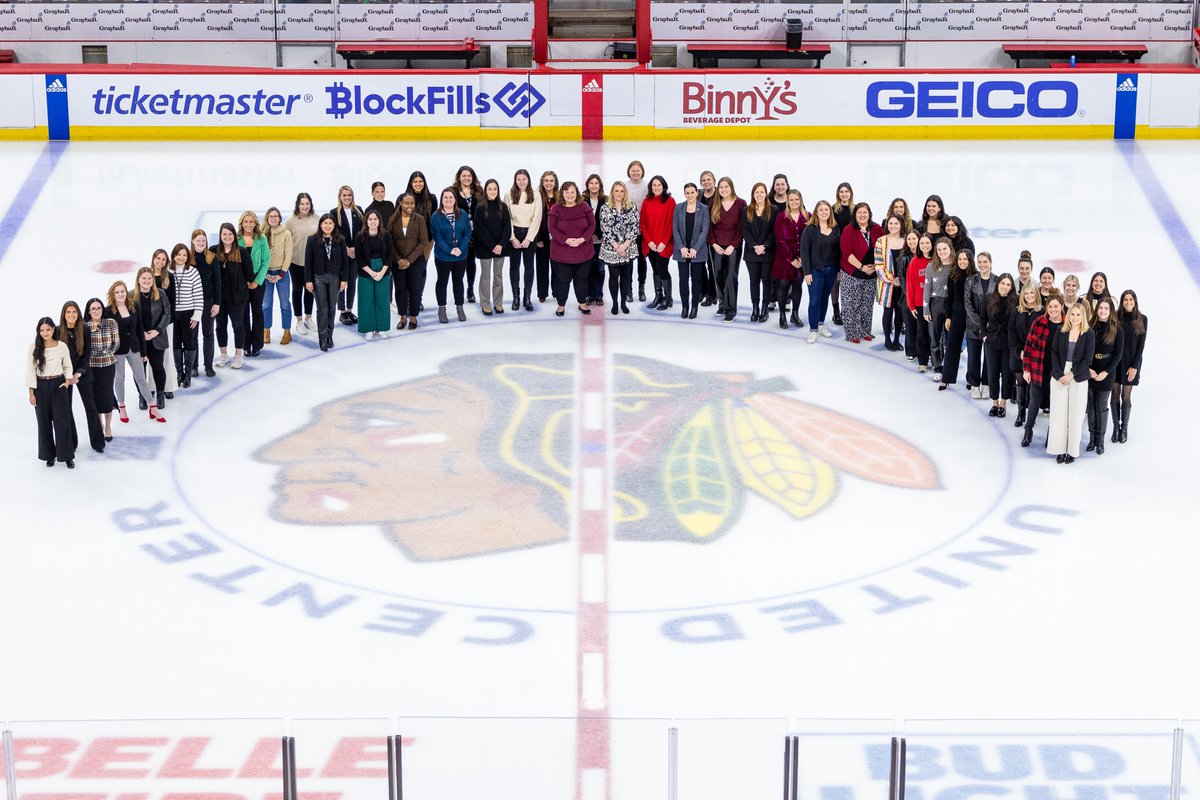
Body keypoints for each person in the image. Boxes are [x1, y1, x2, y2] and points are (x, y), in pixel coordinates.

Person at [1047, 302, 1095, 464]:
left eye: (1078, 315)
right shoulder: (1060, 330)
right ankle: (1059, 449)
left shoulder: (1089, 333)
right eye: (1072, 314)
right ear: (1068, 315)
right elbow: (1054, 353)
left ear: (1083, 316)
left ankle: (1072, 451)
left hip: (1078, 376)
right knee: (1058, 415)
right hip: (1059, 374)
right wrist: (1060, 374)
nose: (1075, 317)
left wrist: (1072, 374)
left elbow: (1087, 360)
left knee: (1075, 415)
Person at [27, 317, 75, 468]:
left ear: (54, 329)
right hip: (40, 387)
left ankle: (67, 456)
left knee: (62, 422)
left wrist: (67, 381)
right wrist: (31, 393)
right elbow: (30, 371)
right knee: (44, 423)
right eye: (42, 330)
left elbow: (67, 365)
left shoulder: (61, 346)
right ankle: (49, 455)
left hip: (58, 385)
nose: (45, 333)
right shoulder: (34, 347)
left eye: (48, 329)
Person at [59, 300, 103, 453]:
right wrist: (68, 375)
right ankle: (71, 443)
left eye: (74, 312)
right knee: (66, 408)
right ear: (64, 314)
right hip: (64, 375)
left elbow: (87, 353)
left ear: (78, 314)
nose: (71, 315)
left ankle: (98, 442)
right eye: (68, 312)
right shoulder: (57, 331)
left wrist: (78, 373)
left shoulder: (84, 329)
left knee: (91, 407)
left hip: (82, 373)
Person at [1020, 294, 1064, 448]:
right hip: (1038, 370)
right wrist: (1026, 369)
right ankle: (1028, 431)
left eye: (1056, 306)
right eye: (1050, 306)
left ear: (1061, 306)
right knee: (1034, 403)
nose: (1053, 309)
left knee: (1055, 406)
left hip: (1057, 373)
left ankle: (1051, 435)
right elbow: (1028, 347)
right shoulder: (1038, 322)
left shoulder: (1067, 325)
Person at [548, 181, 596, 318]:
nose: (570, 195)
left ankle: (582, 304)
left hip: (583, 251)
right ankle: (561, 306)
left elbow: (592, 225)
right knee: (562, 281)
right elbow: (552, 228)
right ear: (562, 193)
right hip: (561, 253)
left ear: (577, 193)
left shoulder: (584, 206)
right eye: (567, 192)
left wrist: (583, 239)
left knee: (582, 279)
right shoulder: (556, 208)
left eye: (572, 192)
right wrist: (566, 240)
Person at [106, 281, 152, 423]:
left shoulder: (134, 306)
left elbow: (140, 329)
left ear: (126, 292)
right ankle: (122, 407)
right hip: (118, 350)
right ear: (113, 294)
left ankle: (152, 405)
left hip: (134, 348)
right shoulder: (108, 311)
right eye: (117, 292)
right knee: (120, 378)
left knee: (141, 378)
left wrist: (144, 352)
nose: (120, 294)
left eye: (122, 291)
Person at [304, 212, 351, 350]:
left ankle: (330, 335)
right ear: (320, 224)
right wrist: (308, 280)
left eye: (330, 223)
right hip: (318, 278)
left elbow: (345, 261)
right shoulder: (312, 240)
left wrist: (344, 279)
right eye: (325, 223)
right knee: (322, 309)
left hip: (335, 278)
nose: (328, 226)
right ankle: (323, 338)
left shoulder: (340, 239)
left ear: (334, 225)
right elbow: (308, 262)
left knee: (331, 308)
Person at [839, 202, 883, 344]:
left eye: (865, 212)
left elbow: (883, 248)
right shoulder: (849, 229)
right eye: (859, 213)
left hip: (871, 274)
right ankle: (852, 333)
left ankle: (865, 331)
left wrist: (876, 267)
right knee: (851, 304)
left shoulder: (877, 228)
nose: (862, 215)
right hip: (852, 272)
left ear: (869, 214)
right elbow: (847, 253)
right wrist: (862, 267)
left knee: (867, 304)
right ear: (855, 215)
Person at [387, 193, 430, 331]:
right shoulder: (393, 220)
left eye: (412, 203)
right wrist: (399, 259)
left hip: (416, 261)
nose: (409, 206)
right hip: (397, 261)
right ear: (401, 203)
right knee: (400, 290)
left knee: (415, 289)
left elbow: (423, 241)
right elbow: (389, 242)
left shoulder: (419, 219)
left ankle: (413, 317)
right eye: (406, 203)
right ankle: (403, 317)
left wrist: (409, 260)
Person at [430, 187, 473, 324]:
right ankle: (442, 308)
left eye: (451, 197)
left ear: (455, 199)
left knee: (458, 282)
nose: (448, 200)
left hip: (461, 256)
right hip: (443, 257)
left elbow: (467, 233)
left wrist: (460, 248)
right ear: (442, 200)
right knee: (442, 282)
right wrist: (450, 250)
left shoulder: (463, 214)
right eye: (445, 197)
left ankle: (459, 307)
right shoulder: (436, 216)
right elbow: (437, 236)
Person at [1086, 297, 1123, 455]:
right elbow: (1084, 349)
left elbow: (1118, 355)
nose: (1102, 311)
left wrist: (1105, 372)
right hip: (1090, 371)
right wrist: (1088, 369)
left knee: (1101, 406)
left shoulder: (1117, 329)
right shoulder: (1090, 326)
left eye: (1106, 308)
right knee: (1091, 405)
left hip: (1106, 372)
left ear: (1111, 311)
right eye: (1100, 308)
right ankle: (1092, 438)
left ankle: (1100, 440)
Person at [213, 223, 252, 369]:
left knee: (238, 326)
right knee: (220, 326)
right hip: (219, 298)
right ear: (220, 235)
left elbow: (249, 274)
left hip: (237, 298)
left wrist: (241, 287)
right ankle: (223, 354)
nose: (227, 237)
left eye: (230, 234)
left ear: (234, 236)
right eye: (224, 234)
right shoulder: (213, 251)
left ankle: (238, 356)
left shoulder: (242, 252)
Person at [800, 199, 840, 343]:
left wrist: (838, 270)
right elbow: (804, 251)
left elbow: (838, 251)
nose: (824, 212)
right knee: (814, 300)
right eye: (821, 210)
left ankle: (821, 324)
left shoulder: (835, 228)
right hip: (815, 271)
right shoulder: (810, 229)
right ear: (816, 212)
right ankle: (813, 330)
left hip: (831, 270)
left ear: (830, 212)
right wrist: (807, 272)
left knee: (825, 299)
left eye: (826, 210)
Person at [134, 267, 171, 418]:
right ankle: (142, 396)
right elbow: (129, 318)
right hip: (139, 340)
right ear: (138, 280)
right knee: (139, 370)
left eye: (149, 278)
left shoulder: (160, 293)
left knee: (157, 367)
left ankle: (160, 395)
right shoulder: (131, 296)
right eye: (144, 278)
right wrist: (140, 333)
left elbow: (167, 314)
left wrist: (157, 330)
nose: (147, 281)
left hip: (156, 338)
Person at [1111, 289, 1147, 444]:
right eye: (1125, 300)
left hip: (1131, 363)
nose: (1128, 302)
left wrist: (1134, 366)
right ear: (1122, 301)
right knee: (1114, 395)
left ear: (1135, 301)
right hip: (1116, 362)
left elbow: (1141, 345)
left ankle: (1124, 428)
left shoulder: (1142, 319)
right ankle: (1115, 428)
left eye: (1131, 300)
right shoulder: (1115, 317)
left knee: (1125, 396)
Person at [708, 177, 746, 322]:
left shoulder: (741, 203)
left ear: (731, 187)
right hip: (716, 246)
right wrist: (713, 243)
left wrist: (733, 245)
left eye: (726, 187)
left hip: (733, 246)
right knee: (718, 275)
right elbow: (709, 227)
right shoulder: (713, 203)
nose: (724, 190)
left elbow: (742, 227)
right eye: (721, 187)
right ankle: (722, 304)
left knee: (731, 277)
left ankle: (730, 310)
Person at [599, 180, 639, 316]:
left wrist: (625, 245)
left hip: (628, 247)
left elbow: (634, 226)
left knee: (626, 276)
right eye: (616, 191)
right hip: (612, 248)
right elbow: (605, 229)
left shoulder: (632, 206)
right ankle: (615, 303)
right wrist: (616, 246)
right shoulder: (605, 208)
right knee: (613, 276)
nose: (619, 193)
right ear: (612, 192)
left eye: (622, 191)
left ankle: (623, 303)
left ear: (625, 193)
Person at [474, 178, 512, 316]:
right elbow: (480, 229)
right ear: (485, 190)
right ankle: (485, 303)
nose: (492, 191)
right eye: (490, 189)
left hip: (501, 247)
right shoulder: (479, 208)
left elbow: (507, 227)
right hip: (485, 247)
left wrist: (501, 244)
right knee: (485, 275)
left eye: (495, 189)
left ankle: (498, 302)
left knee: (498, 275)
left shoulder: (503, 207)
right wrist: (492, 246)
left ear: (498, 190)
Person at [354, 208, 393, 339]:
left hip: (383, 270)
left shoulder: (386, 235)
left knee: (382, 300)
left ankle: (382, 327)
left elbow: (390, 255)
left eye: (375, 219)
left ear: (379, 221)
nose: (372, 221)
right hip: (366, 271)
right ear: (366, 221)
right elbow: (359, 258)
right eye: (370, 219)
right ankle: (368, 328)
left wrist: (382, 272)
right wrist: (371, 272)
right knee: (366, 300)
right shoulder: (360, 236)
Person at [939, 249, 976, 390]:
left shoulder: (975, 276)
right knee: (952, 346)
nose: (962, 262)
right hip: (957, 313)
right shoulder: (953, 275)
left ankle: (971, 379)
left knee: (973, 348)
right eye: (960, 259)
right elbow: (950, 298)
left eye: (965, 259)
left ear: (970, 261)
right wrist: (948, 316)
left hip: (972, 314)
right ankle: (946, 378)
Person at [1007, 284, 1042, 429]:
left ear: (1036, 294)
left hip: (1035, 356)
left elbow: (1042, 336)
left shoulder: (1042, 312)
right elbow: (1011, 333)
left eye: (1031, 293)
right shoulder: (1016, 312)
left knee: (1033, 387)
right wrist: (1019, 351)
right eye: (1026, 293)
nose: (1029, 296)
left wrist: (1030, 353)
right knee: (1021, 384)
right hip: (1019, 355)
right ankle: (1021, 413)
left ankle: (1031, 416)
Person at [673, 182, 710, 320]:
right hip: (681, 250)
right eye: (687, 193)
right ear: (684, 194)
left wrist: (695, 248)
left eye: (692, 192)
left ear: (697, 193)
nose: (690, 195)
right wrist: (682, 247)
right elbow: (675, 229)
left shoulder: (704, 209)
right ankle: (685, 307)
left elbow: (704, 230)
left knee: (696, 279)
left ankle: (694, 307)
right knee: (683, 279)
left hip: (697, 251)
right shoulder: (678, 208)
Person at [168, 243, 203, 389]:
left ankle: (188, 374)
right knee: (175, 343)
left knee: (189, 343)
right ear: (173, 256)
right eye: (178, 254)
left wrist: (197, 315)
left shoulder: (193, 272)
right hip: (173, 315)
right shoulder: (168, 271)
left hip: (189, 314)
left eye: (184, 255)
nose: (181, 257)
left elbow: (199, 295)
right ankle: (179, 373)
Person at [83, 297, 118, 442]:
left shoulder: (111, 323)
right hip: (92, 367)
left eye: (98, 308)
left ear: (102, 309)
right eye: (93, 309)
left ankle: (108, 426)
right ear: (89, 311)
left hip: (108, 365)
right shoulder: (84, 326)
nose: (96, 311)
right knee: (95, 397)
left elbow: (116, 344)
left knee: (107, 396)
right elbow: (85, 349)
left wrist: (103, 352)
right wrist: (96, 353)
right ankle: (99, 425)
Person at [506, 169, 541, 312]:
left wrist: (529, 238)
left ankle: (527, 298)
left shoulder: (536, 195)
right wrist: (512, 238)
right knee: (514, 266)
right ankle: (516, 298)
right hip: (514, 232)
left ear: (528, 180)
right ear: (515, 180)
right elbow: (506, 217)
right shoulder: (509, 194)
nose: (521, 182)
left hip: (529, 232)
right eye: (518, 179)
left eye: (524, 179)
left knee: (529, 266)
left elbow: (537, 217)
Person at [284, 193, 318, 338]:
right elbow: (285, 240)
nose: (305, 206)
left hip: (312, 262)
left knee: (310, 289)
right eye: (302, 204)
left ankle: (308, 318)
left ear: (311, 204)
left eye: (307, 203)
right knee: (297, 290)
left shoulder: (316, 218)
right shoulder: (290, 221)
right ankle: (299, 321)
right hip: (296, 261)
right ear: (298, 204)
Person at [145, 248, 176, 403]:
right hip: (148, 325)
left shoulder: (169, 277)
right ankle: (151, 387)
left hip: (164, 324)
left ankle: (167, 387)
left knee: (166, 357)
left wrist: (162, 326)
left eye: (164, 259)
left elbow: (172, 303)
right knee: (151, 358)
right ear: (153, 258)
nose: (160, 262)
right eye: (158, 258)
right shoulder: (146, 276)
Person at [982, 273, 1016, 417]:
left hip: (1008, 343)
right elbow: (982, 319)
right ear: (998, 284)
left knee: (1007, 374)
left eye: (1008, 285)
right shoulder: (988, 298)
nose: (1005, 287)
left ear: (1011, 287)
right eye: (1003, 283)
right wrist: (984, 336)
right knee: (992, 373)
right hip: (992, 341)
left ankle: (1003, 403)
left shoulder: (1016, 300)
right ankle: (994, 403)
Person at [640, 175, 676, 311]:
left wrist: (664, 242)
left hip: (663, 244)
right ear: (650, 187)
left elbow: (672, 223)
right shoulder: (646, 201)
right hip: (650, 243)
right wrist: (649, 241)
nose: (656, 187)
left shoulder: (670, 201)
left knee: (662, 269)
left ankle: (668, 298)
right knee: (655, 269)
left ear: (664, 186)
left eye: (659, 185)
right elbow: (642, 223)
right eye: (654, 185)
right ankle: (658, 296)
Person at [774, 189, 808, 330]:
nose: (794, 202)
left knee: (797, 285)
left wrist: (802, 258)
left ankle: (795, 314)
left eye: (797, 199)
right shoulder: (781, 217)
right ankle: (782, 315)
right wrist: (791, 259)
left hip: (802, 259)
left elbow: (810, 239)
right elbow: (780, 240)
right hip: (785, 259)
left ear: (801, 201)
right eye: (791, 200)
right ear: (788, 201)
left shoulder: (808, 217)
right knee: (783, 285)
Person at [964, 251, 997, 398]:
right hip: (973, 326)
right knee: (973, 356)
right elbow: (968, 304)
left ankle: (986, 384)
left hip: (991, 327)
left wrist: (991, 323)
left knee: (989, 357)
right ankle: (974, 384)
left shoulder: (997, 281)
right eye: (980, 262)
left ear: (990, 263)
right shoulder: (970, 281)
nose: (982, 265)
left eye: (985, 262)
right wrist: (980, 323)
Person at [742, 182, 775, 324]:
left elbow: (774, 230)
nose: (759, 194)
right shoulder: (746, 210)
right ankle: (755, 308)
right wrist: (754, 246)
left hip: (768, 252)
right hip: (752, 252)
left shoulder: (773, 209)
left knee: (767, 281)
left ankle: (764, 309)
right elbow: (745, 230)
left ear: (766, 194)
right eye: (757, 192)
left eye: (762, 192)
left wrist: (765, 245)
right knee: (754, 281)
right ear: (753, 194)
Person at [238, 210, 269, 357]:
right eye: (246, 222)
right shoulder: (236, 239)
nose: (248, 224)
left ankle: (257, 345)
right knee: (244, 313)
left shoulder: (261, 239)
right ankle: (245, 344)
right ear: (242, 223)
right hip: (242, 280)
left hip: (258, 280)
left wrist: (257, 281)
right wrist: (243, 280)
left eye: (251, 221)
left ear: (255, 223)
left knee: (257, 312)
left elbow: (266, 261)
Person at [331, 185, 364, 325]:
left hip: (355, 253)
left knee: (352, 282)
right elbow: (333, 233)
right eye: (344, 195)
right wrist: (345, 248)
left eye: (349, 195)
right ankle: (342, 311)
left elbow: (363, 231)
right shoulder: (334, 212)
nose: (347, 197)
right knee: (341, 282)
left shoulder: (359, 210)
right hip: (341, 254)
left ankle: (349, 310)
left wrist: (356, 248)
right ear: (340, 197)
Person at [923, 237, 954, 380]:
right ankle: (937, 366)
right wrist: (926, 309)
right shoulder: (932, 266)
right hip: (936, 304)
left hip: (951, 305)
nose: (942, 252)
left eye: (944, 249)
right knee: (935, 337)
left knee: (950, 338)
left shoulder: (956, 266)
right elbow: (927, 288)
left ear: (950, 249)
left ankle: (949, 365)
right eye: (939, 249)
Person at [262, 207, 294, 346]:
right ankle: (266, 330)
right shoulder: (262, 234)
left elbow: (288, 255)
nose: (273, 218)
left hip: (282, 274)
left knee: (285, 304)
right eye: (271, 216)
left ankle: (287, 331)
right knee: (266, 304)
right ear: (267, 218)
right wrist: (265, 274)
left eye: (276, 216)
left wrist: (281, 274)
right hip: (266, 274)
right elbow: (260, 256)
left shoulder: (286, 234)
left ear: (280, 218)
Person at [874, 215, 906, 351]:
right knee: (888, 312)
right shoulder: (881, 241)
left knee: (900, 312)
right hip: (887, 284)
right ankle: (887, 340)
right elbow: (878, 265)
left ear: (901, 225)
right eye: (891, 223)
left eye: (896, 223)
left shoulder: (906, 241)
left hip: (903, 285)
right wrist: (893, 280)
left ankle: (897, 339)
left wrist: (902, 280)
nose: (893, 226)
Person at [454, 165, 484, 304]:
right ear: (459, 177)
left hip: (475, 232)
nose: (467, 178)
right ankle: (459, 289)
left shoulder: (479, 191)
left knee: (471, 261)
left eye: (469, 175)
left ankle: (470, 289)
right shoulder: (453, 191)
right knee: (460, 261)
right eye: (464, 175)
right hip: (459, 232)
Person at [904, 232, 933, 370]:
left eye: (927, 243)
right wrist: (911, 305)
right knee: (922, 332)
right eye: (922, 243)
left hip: (936, 302)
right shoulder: (915, 262)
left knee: (935, 333)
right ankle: (922, 361)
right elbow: (910, 285)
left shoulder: (937, 260)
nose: (924, 245)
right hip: (920, 303)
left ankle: (936, 359)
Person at [830, 182, 854, 325]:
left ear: (850, 193)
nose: (844, 194)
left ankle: (846, 311)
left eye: (846, 191)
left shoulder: (855, 209)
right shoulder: (833, 209)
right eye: (841, 191)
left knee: (848, 284)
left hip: (851, 251)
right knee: (836, 282)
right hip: (835, 248)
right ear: (838, 194)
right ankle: (836, 312)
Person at [625, 160, 649, 302]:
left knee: (641, 259)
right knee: (628, 261)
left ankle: (641, 288)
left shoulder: (647, 186)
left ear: (642, 171)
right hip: (628, 230)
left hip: (643, 229)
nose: (635, 173)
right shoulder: (625, 186)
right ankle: (628, 289)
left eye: (637, 170)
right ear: (629, 172)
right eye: (633, 170)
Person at [535, 171, 559, 304]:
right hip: (542, 238)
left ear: (555, 182)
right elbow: (534, 218)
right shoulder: (537, 196)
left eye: (551, 181)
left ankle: (556, 291)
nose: (549, 183)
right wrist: (538, 238)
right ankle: (542, 293)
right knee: (542, 267)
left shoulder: (560, 197)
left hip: (557, 238)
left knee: (557, 266)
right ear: (542, 182)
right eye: (546, 181)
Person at [582, 173, 606, 305]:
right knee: (587, 268)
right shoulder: (582, 201)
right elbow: (580, 221)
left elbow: (607, 221)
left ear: (600, 185)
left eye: (596, 183)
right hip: (586, 241)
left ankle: (598, 295)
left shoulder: (606, 200)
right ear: (587, 185)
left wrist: (598, 234)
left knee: (600, 268)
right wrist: (587, 235)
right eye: (591, 183)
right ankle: (588, 295)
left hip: (601, 241)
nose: (594, 185)